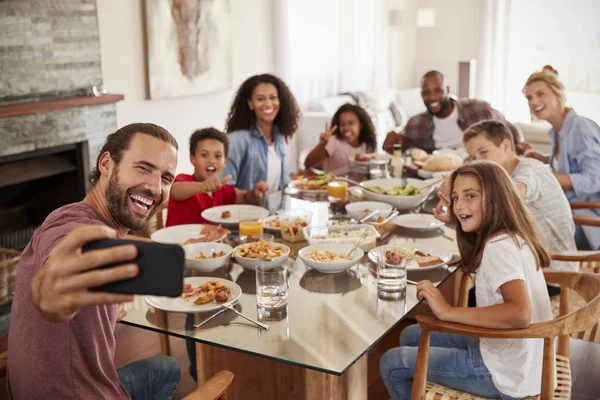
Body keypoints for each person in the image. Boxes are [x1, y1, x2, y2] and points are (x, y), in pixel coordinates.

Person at [7, 123, 182, 399]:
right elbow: (58, 270)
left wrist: (112, 309)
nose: (155, 187)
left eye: (166, 178)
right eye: (144, 168)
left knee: (166, 367)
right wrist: (53, 291)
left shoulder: (67, 213)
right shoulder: (73, 230)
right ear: (106, 164)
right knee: (174, 371)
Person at [380, 161, 553, 399]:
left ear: (497, 198)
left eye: (470, 196)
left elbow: (519, 313)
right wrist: (459, 220)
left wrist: (447, 311)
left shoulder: (498, 247)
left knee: (392, 362)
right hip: (524, 360)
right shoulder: (509, 234)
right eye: (455, 198)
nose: (459, 205)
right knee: (412, 334)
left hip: (506, 375)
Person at [434, 119, 577, 275]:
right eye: (473, 157)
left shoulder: (530, 169)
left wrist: (457, 183)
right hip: (525, 261)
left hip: (551, 270)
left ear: (506, 145)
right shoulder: (502, 176)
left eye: (483, 152)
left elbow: (514, 193)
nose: (478, 161)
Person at [522, 65, 600, 250]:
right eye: (529, 97)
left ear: (558, 95)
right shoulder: (558, 131)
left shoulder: (580, 127)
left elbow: (594, 179)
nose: (534, 102)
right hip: (567, 211)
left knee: (518, 227)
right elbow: (570, 163)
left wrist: (546, 178)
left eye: (541, 94)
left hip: (587, 220)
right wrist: (543, 159)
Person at [382, 70, 525, 154]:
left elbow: (509, 127)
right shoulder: (416, 123)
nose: (432, 98)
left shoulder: (477, 109)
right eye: (426, 93)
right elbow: (402, 147)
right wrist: (390, 145)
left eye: (438, 91)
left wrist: (518, 146)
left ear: (447, 90)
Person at [166, 127, 269, 227]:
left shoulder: (221, 189)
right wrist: (202, 186)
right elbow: (175, 191)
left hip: (208, 243)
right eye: (204, 155)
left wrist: (255, 192)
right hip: (175, 244)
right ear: (192, 159)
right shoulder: (185, 180)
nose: (211, 160)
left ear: (225, 161)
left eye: (218, 156)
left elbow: (246, 197)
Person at [222, 73, 300, 193]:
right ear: (250, 103)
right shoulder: (236, 140)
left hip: (275, 210)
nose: (268, 104)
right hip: (246, 211)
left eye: (273, 97)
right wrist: (250, 196)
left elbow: (283, 183)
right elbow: (224, 188)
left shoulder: (278, 135)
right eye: (260, 99)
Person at [304, 103, 377, 176]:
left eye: (351, 123)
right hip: (333, 185)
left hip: (358, 186)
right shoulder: (334, 141)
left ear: (361, 125)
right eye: (342, 124)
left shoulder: (367, 144)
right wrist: (322, 144)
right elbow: (308, 163)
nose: (346, 128)